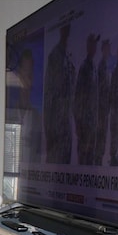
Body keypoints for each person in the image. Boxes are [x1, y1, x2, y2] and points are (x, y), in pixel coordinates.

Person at [43, 23, 74, 164]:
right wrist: (50, 132)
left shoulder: (68, 57)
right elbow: (50, 95)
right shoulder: (55, 56)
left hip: (65, 126)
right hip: (56, 129)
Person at [74, 33, 99, 165]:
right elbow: (78, 97)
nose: (95, 47)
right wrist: (78, 123)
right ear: (88, 46)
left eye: (96, 44)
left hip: (92, 123)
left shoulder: (94, 67)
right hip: (84, 124)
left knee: (91, 157)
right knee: (84, 159)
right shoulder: (84, 67)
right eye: (93, 44)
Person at [95, 39, 111, 166]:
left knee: (102, 137)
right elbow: (100, 89)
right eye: (107, 47)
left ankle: (99, 161)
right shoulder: (101, 65)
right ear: (103, 49)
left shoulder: (105, 65)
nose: (109, 50)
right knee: (100, 137)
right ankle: (97, 163)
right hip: (101, 109)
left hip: (104, 109)